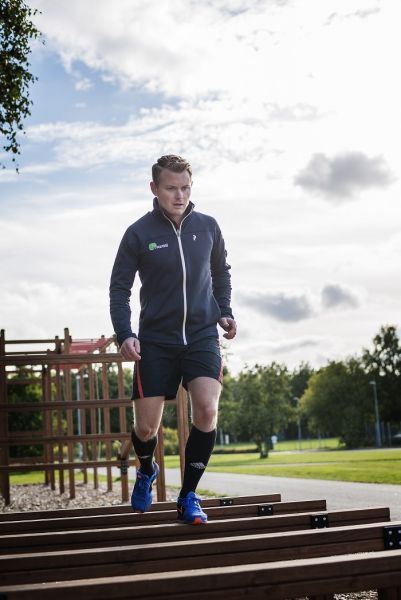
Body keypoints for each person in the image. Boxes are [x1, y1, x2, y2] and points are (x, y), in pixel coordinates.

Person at [109, 154, 236, 524]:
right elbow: (119, 290)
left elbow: (221, 273)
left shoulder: (208, 227)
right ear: (154, 188)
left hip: (201, 334)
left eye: (185, 188)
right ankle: (147, 469)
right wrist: (125, 334)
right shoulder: (138, 233)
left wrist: (225, 310)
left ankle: (188, 495)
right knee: (146, 428)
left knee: (207, 410)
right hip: (155, 341)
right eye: (171, 188)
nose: (179, 195)